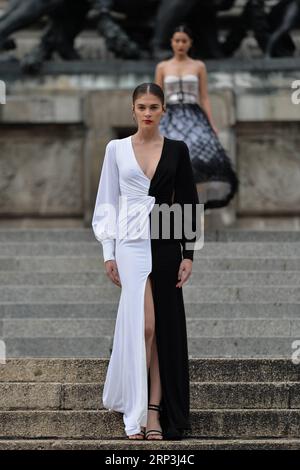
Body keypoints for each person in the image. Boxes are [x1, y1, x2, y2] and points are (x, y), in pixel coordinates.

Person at [91, 82, 200, 440]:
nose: (148, 112)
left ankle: (153, 413)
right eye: (142, 107)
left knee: (162, 328)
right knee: (145, 327)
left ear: (163, 110)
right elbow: (107, 199)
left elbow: (186, 201)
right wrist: (108, 251)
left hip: (167, 242)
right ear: (133, 110)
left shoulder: (177, 150)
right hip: (130, 244)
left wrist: (189, 254)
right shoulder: (116, 149)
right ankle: (134, 409)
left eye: (154, 106)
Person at [155, 24, 239, 210]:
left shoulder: (198, 66)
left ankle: (189, 206)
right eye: (177, 40)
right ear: (171, 42)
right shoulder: (162, 66)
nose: (180, 44)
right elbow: (157, 97)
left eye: (184, 41)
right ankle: (171, 206)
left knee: (195, 161)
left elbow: (204, 97)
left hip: (194, 116)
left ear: (190, 43)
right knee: (168, 163)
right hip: (171, 116)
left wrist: (211, 123)